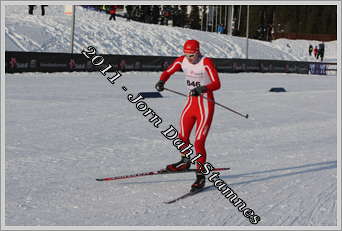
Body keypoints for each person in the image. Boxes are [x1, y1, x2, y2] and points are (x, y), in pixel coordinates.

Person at [155, 40, 221, 192]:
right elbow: (168, 71)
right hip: (191, 103)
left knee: (198, 143)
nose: (189, 58)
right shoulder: (182, 60)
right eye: (186, 55)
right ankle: (185, 161)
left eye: (191, 55)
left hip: (205, 105)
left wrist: (202, 88)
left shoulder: (205, 62)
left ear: (197, 52)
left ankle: (200, 175)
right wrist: (161, 81)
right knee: (182, 137)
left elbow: (217, 83)